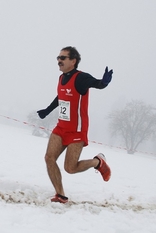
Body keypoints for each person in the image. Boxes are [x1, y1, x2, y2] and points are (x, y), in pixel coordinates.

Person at [37, 46, 113, 204]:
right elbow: (61, 97)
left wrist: (104, 82)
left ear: (73, 61)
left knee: (70, 168)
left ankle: (98, 162)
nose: (59, 61)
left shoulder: (81, 78)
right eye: (58, 58)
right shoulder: (61, 78)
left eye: (63, 58)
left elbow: (96, 84)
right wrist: (47, 110)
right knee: (49, 158)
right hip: (61, 127)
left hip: (76, 130)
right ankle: (60, 195)